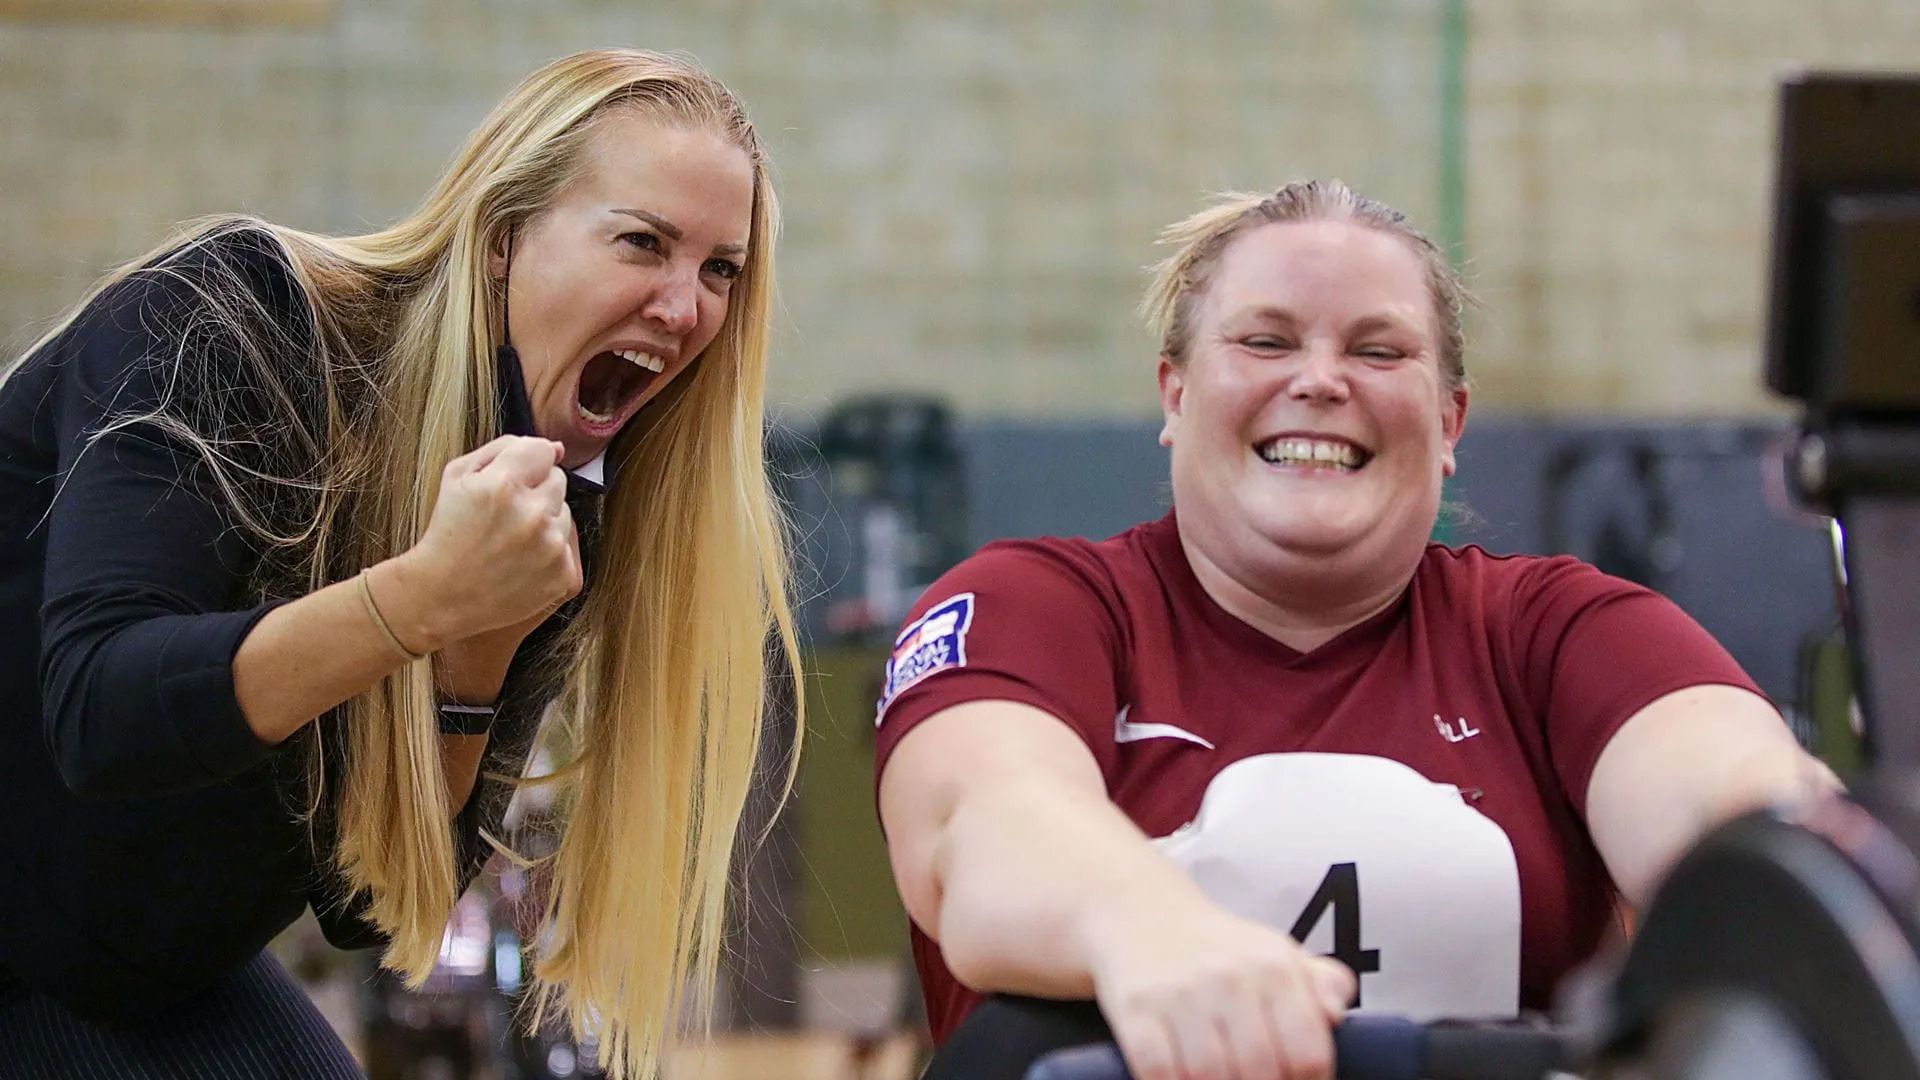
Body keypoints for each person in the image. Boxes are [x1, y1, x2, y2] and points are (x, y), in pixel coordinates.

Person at [875, 180, 1836, 1080]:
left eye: (1378, 351)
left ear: (1450, 421)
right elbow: (986, 825)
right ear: (1174, 394)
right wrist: (1146, 926)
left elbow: (1739, 817)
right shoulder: (1035, 608)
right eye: (1265, 341)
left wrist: (1816, 883)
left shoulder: (1564, 631)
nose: (1322, 382)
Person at [0, 48, 800, 1079]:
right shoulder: (228, 316)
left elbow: (369, 905)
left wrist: (476, 658)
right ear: (505, 238)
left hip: (118, 968)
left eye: (719, 270)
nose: (684, 307)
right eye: (642, 243)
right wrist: (421, 600)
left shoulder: (541, 503)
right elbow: (102, 710)